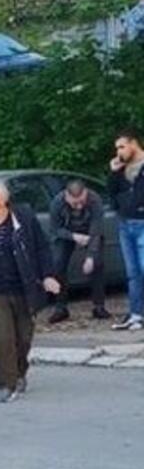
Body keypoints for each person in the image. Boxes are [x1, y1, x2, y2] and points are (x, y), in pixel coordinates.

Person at [0, 178, 61, 403]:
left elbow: (42, 247)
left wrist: (48, 276)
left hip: (24, 289)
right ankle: (6, 384)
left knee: (24, 339)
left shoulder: (24, 218)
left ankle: (19, 372)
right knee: (3, 338)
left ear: (0, 199)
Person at [48, 179, 110, 323]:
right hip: (67, 233)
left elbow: (96, 229)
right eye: (74, 203)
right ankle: (60, 307)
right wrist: (73, 236)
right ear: (66, 196)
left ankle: (98, 306)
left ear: (86, 193)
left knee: (97, 263)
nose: (79, 206)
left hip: (90, 233)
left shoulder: (95, 200)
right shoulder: (57, 203)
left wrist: (90, 257)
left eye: (82, 201)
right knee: (58, 264)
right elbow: (55, 230)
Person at [108, 128, 144, 331]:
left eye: (122, 146)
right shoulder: (121, 167)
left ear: (133, 143)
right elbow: (112, 192)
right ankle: (136, 314)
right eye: (117, 148)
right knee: (132, 272)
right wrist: (114, 173)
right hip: (125, 222)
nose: (119, 151)